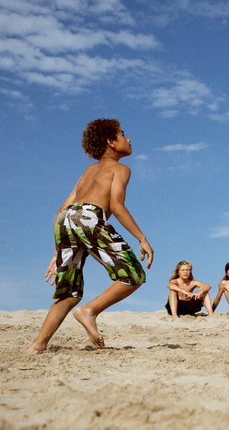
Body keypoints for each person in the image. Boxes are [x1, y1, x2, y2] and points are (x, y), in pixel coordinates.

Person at [26, 119, 154, 353]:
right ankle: (90, 311)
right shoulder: (121, 169)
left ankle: (37, 345)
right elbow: (116, 205)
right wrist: (141, 238)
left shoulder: (88, 171)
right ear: (110, 142)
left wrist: (58, 250)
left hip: (65, 219)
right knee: (134, 275)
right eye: (123, 134)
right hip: (89, 217)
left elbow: (62, 210)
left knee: (69, 292)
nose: (128, 139)